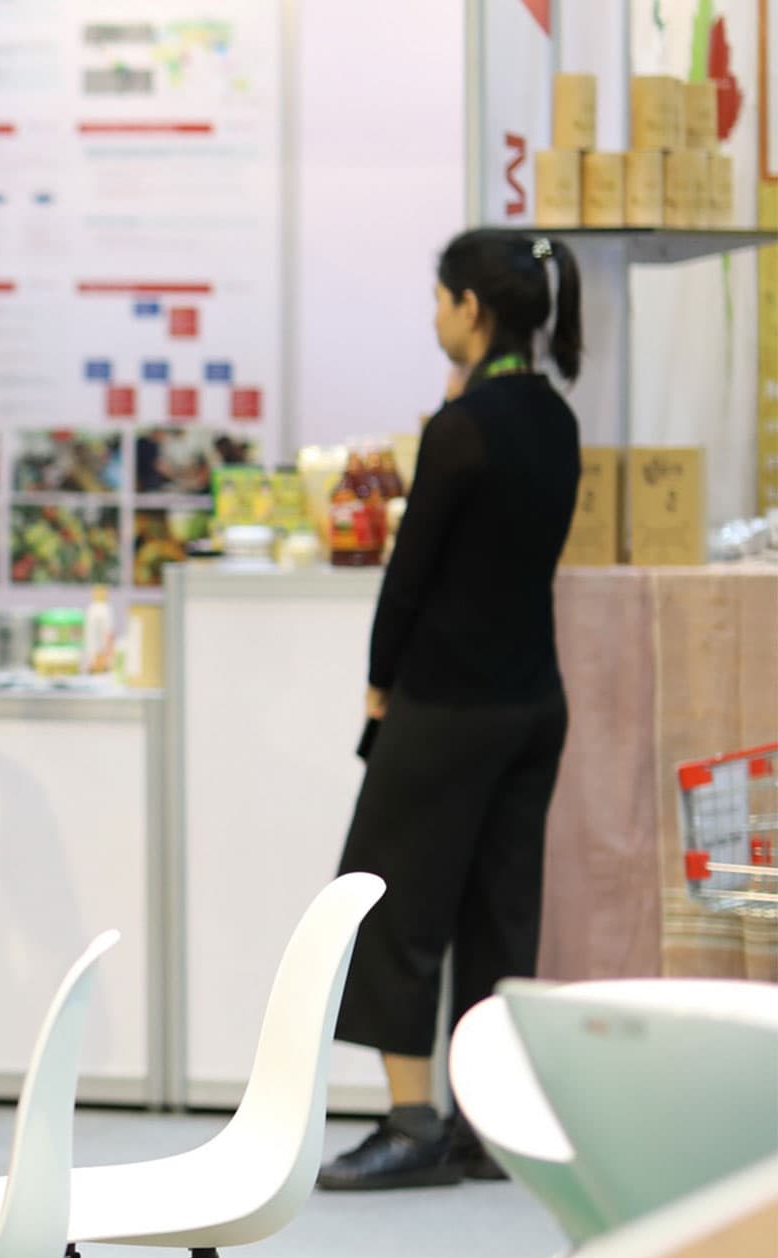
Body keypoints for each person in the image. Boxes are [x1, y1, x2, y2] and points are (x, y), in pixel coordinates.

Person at [320, 230, 583, 1192]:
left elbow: (413, 573)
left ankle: (409, 1120)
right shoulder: (554, 416)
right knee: (497, 912)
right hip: (532, 700)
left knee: (392, 905)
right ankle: (485, 1126)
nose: (434, 315)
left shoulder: (461, 428)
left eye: (440, 299)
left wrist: (380, 677)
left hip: (445, 702)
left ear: (472, 307)